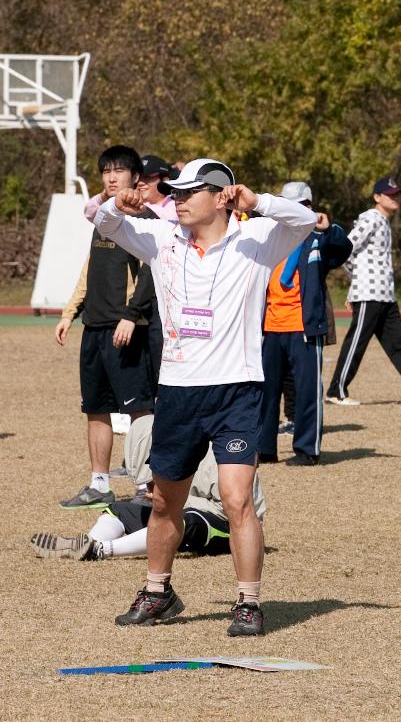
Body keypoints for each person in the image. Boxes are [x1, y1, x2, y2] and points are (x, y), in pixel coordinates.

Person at [93, 157, 316, 636]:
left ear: (221, 196)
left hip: (237, 390)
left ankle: (249, 603)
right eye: (174, 192)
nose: (177, 199)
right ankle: (158, 592)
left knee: (238, 501)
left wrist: (258, 202)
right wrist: (120, 202)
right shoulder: (160, 238)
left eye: (189, 192)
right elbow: (102, 221)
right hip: (177, 391)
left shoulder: (257, 239)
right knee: (161, 502)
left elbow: (305, 220)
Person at [55, 146, 156, 509]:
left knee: (139, 409)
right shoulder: (103, 217)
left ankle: (147, 487)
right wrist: (70, 312)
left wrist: (131, 314)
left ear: (135, 178)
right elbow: (89, 267)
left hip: (124, 328)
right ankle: (99, 484)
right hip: (94, 328)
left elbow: (151, 272)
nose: (112, 178)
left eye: (119, 171)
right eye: (106, 172)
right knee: (95, 408)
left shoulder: (144, 220)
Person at [31, 445, 266, 562]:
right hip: (189, 507)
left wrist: (174, 499)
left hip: (226, 524)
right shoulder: (186, 443)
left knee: (184, 520)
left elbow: (230, 507)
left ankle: (100, 550)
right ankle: (86, 543)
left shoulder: (233, 446)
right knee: (119, 510)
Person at [257, 182, 353, 465]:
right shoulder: (271, 237)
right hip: (271, 327)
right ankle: (264, 447)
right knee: (266, 392)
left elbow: (342, 249)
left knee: (307, 391)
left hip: (304, 327)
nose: (293, 211)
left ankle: (307, 449)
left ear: (310, 208)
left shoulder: (316, 239)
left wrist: (327, 228)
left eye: (301, 206)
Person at [326, 176, 401, 407]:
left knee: (398, 344)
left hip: (386, 295)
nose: (396, 198)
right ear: (377, 197)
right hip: (369, 293)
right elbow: (345, 249)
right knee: (356, 343)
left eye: (398, 194)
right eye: (390, 194)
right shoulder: (371, 217)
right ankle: (336, 391)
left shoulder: (384, 221)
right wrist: (356, 282)